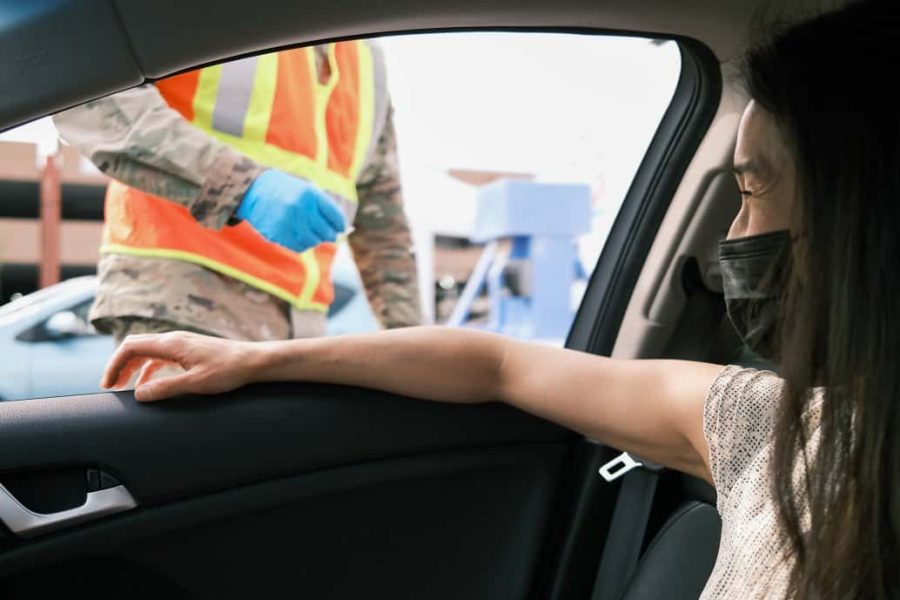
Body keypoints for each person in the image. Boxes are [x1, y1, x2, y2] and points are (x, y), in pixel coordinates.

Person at [98, 2, 899, 598]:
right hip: (200, 297)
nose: (732, 235)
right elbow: (495, 362)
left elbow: (382, 219)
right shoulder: (774, 426)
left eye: (752, 189)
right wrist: (258, 362)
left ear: (859, 220)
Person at [54, 41, 422, 344]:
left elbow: (383, 221)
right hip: (183, 295)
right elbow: (93, 99)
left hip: (304, 321)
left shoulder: (366, 58)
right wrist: (243, 186)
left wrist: (414, 345)